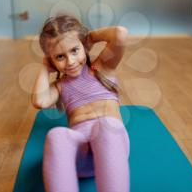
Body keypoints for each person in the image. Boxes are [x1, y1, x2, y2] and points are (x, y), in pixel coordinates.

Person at [31, 14, 130, 192]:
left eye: (75, 50)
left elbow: (120, 33)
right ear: (52, 60)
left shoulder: (101, 68)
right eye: (60, 57)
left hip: (110, 149)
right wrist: (45, 67)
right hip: (81, 159)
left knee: (106, 126)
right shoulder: (60, 86)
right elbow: (40, 100)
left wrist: (90, 37)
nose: (70, 61)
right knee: (57, 135)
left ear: (84, 46)